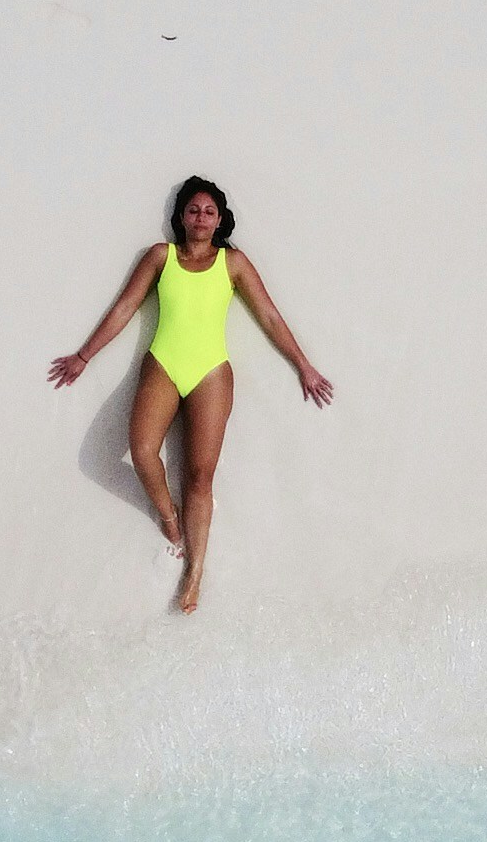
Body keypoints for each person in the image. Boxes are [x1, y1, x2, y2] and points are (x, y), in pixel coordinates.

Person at [48, 177, 333, 612]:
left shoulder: (233, 263)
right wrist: (84, 356)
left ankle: (194, 574)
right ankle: (169, 519)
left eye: (209, 212)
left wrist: (304, 365)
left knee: (200, 478)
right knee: (143, 452)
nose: (201, 218)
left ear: (220, 220)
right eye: (194, 210)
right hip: (163, 363)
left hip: (211, 373)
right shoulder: (161, 257)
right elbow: (125, 307)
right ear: (181, 216)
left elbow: (270, 317)